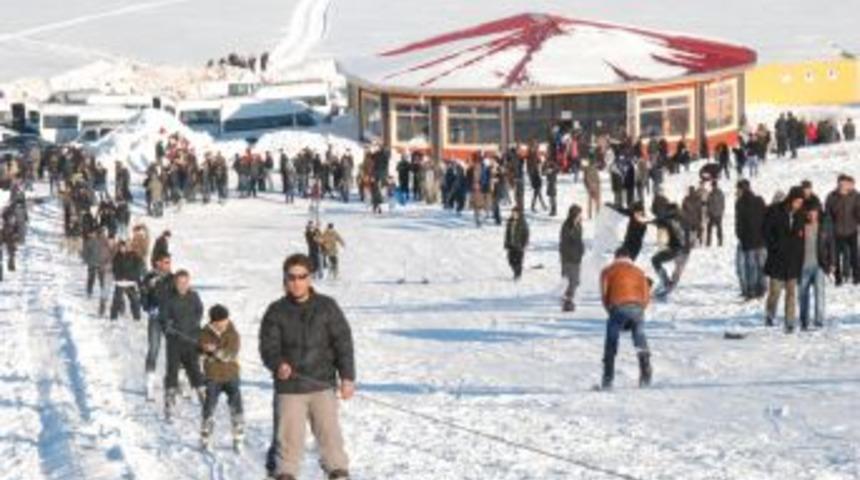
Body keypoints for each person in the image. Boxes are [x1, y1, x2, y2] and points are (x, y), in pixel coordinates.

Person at [259, 254, 355, 480]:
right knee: (289, 446)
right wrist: (278, 364)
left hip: (322, 385)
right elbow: (268, 347)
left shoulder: (327, 307)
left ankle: (338, 473)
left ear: (310, 278)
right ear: (285, 280)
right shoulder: (276, 311)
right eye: (291, 277)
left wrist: (347, 377)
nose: (296, 282)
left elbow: (343, 341)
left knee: (331, 441)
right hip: (290, 389)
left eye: (302, 276)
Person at [599, 247, 652, 390]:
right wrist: (640, 309)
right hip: (638, 307)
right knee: (640, 337)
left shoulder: (607, 271)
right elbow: (647, 295)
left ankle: (608, 380)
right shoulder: (639, 271)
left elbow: (604, 296)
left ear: (616, 257)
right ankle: (646, 374)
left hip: (618, 306)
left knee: (611, 341)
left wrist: (611, 312)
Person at [199, 304, 244, 452]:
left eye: (225, 321)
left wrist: (215, 352)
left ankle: (238, 434)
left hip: (231, 375)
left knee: (236, 403)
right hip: (212, 376)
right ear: (213, 322)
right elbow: (199, 351)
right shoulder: (204, 333)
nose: (223, 324)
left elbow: (230, 355)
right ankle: (206, 434)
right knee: (209, 404)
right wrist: (204, 351)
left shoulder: (233, 334)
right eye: (220, 322)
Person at [161, 269, 205, 420]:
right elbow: (163, 316)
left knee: (194, 368)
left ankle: (202, 396)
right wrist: (167, 325)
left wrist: (195, 327)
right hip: (174, 341)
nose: (183, 286)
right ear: (175, 283)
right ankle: (169, 400)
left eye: (185, 282)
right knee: (172, 370)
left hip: (191, 340)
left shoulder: (194, 296)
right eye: (180, 283)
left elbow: (199, 311)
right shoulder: (168, 297)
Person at [763, 187, 806, 332]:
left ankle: (790, 322)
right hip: (777, 259)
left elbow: (801, 239)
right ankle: (770, 314)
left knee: (791, 293)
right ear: (791, 199)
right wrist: (774, 246)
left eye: (801, 202)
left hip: (793, 260)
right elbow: (766, 231)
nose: (799, 204)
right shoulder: (776, 211)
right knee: (774, 291)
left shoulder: (800, 215)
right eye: (798, 201)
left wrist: (800, 258)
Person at [141, 253, 175, 401]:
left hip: (170, 320)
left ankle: (175, 382)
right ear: (157, 263)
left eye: (169, 262)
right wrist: (149, 307)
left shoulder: (173, 278)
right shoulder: (149, 278)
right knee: (154, 348)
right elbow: (143, 298)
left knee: (175, 350)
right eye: (166, 262)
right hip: (155, 319)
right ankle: (149, 384)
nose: (168, 265)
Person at [799, 207, 835, 330]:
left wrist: (832, 263)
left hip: (819, 266)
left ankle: (819, 321)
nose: (812, 216)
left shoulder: (824, 227)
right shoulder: (801, 227)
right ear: (807, 214)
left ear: (818, 214)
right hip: (803, 266)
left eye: (814, 213)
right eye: (809, 213)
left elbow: (831, 245)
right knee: (803, 295)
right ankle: (804, 321)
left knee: (819, 294)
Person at [824, 175, 860, 286]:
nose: (842, 186)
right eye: (840, 184)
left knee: (854, 255)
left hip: (851, 230)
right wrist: (828, 228)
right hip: (837, 231)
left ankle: (856, 277)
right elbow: (828, 214)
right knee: (836, 256)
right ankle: (838, 278)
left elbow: (858, 212)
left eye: (844, 184)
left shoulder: (855, 195)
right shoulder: (831, 196)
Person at [735, 180, 768, 299]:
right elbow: (766, 218)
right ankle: (762, 289)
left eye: (737, 189)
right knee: (762, 266)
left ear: (741, 189)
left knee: (751, 267)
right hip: (762, 239)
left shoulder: (740, 203)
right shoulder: (759, 200)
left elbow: (739, 223)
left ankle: (752, 290)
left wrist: (740, 236)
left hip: (748, 241)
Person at [651, 203, 689, 297]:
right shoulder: (680, 218)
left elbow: (661, 221)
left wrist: (653, 221)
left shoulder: (671, 219)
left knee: (655, 260)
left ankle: (666, 283)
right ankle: (667, 283)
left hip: (678, 248)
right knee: (677, 269)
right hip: (683, 248)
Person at [82, 227, 113, 316]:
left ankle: (102, 298)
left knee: (102, 282)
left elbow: (110, 254)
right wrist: (87, 260)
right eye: (102, 233)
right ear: (99, 233)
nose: (104, 235)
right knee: (91, 279)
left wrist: (108, 262)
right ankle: (89, 292)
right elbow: (85, 251)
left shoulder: (107, 242)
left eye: (104, 233)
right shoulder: (92, 240)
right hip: (92, 263)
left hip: (102, 266)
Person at [110, 240, 144, 321]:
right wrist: (119, 277)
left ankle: (137, 317)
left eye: (123, 247)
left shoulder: (134, 256)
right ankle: (113, 317)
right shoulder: (117, 257)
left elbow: (138, 268)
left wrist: (132, 277)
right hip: (120, 282)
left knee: (134, 300)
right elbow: (115, 269)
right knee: (116, 300)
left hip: (130, 282)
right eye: (120, 247)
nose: (122, 249)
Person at [559, 205, 584, 312]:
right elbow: (566, 243)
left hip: (576, 257)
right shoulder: (567, 226)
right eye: (579, 214)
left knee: (576, 281)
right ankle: (568, 303)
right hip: (569, 258)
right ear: (574, 215)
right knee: (572, 281)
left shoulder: (578, 225)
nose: (581, 216)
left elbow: (579, 240)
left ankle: (566, 297)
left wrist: (581, 251)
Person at [504, 207, 530, 281]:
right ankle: (516, 271)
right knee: (510, 260)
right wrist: (506, 243)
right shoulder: (510, 221)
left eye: (515, 213)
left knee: (518, 261)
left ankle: (518, 275)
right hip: (511, 245)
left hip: (519, 245)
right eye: (513, 213)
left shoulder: (522, 223)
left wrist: (524, 244)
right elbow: (507, 233)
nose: (514, 214)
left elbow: (526, 234)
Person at [706, 182, 725, 247]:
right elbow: (708, 204)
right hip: (711, 214)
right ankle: (708, 242)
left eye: (714, 186)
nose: (713, 187)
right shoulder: (710, 194)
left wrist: (721, 211)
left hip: (718, 214)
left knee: (719, 228)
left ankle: (720, 241)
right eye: (713, 186)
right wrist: (708, 212)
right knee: (709, 228)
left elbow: (722, 203)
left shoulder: (720, 193)